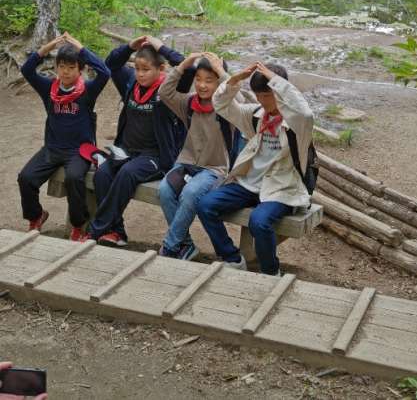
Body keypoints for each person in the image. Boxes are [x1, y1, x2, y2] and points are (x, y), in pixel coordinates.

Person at [196, 61, 314, 276]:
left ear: (279, 92)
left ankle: (270, 273)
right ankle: (232, 258)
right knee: (205, 205)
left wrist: (276, 80)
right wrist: (235, 80)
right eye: (258, 95)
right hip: (249, 183)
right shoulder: (255, 115)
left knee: (259, 222)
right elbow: (221, 104)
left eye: (267, 95)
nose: (262, 100)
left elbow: (305, 113)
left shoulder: (297, 124)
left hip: (281, 188)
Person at [82, 35, 193, 247]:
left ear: (161, 68)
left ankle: (97, 230)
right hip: (126, 151)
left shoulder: (169, 90)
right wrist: (131, 46)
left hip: (155, 156)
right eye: (137, 68)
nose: (140, 74)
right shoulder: (130, 82)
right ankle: (117, 232)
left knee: (126, 173)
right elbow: (111, 63)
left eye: (146, 69)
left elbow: (188, 67)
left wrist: (161, 47)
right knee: (102, 174)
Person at [18, 32, 110, 242]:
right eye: (61, 67)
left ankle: (79, 225)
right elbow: (27, 70)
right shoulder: (48, 88)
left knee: (74, 178)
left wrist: (80, 47)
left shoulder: (88, 90)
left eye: (71, 67)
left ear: (80, 69)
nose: (66, 72)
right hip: (52, 149)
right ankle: (36, 215)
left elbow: (105, 72)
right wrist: (48, 47)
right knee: (26, 178)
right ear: (56, 67)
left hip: (79, 151)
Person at [158, 51, 236, 261]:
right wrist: (183, 65)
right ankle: (186, 245)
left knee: (190, 193)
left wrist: (221, 71)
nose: (202, 85)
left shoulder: (228, 107)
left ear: (219, 83)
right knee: (164, 190)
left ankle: (170, 246)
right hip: (187, 163)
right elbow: (164, 92)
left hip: (215, 169)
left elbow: (238, 94)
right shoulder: (188, 103)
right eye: (198, 79)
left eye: (209, 80)